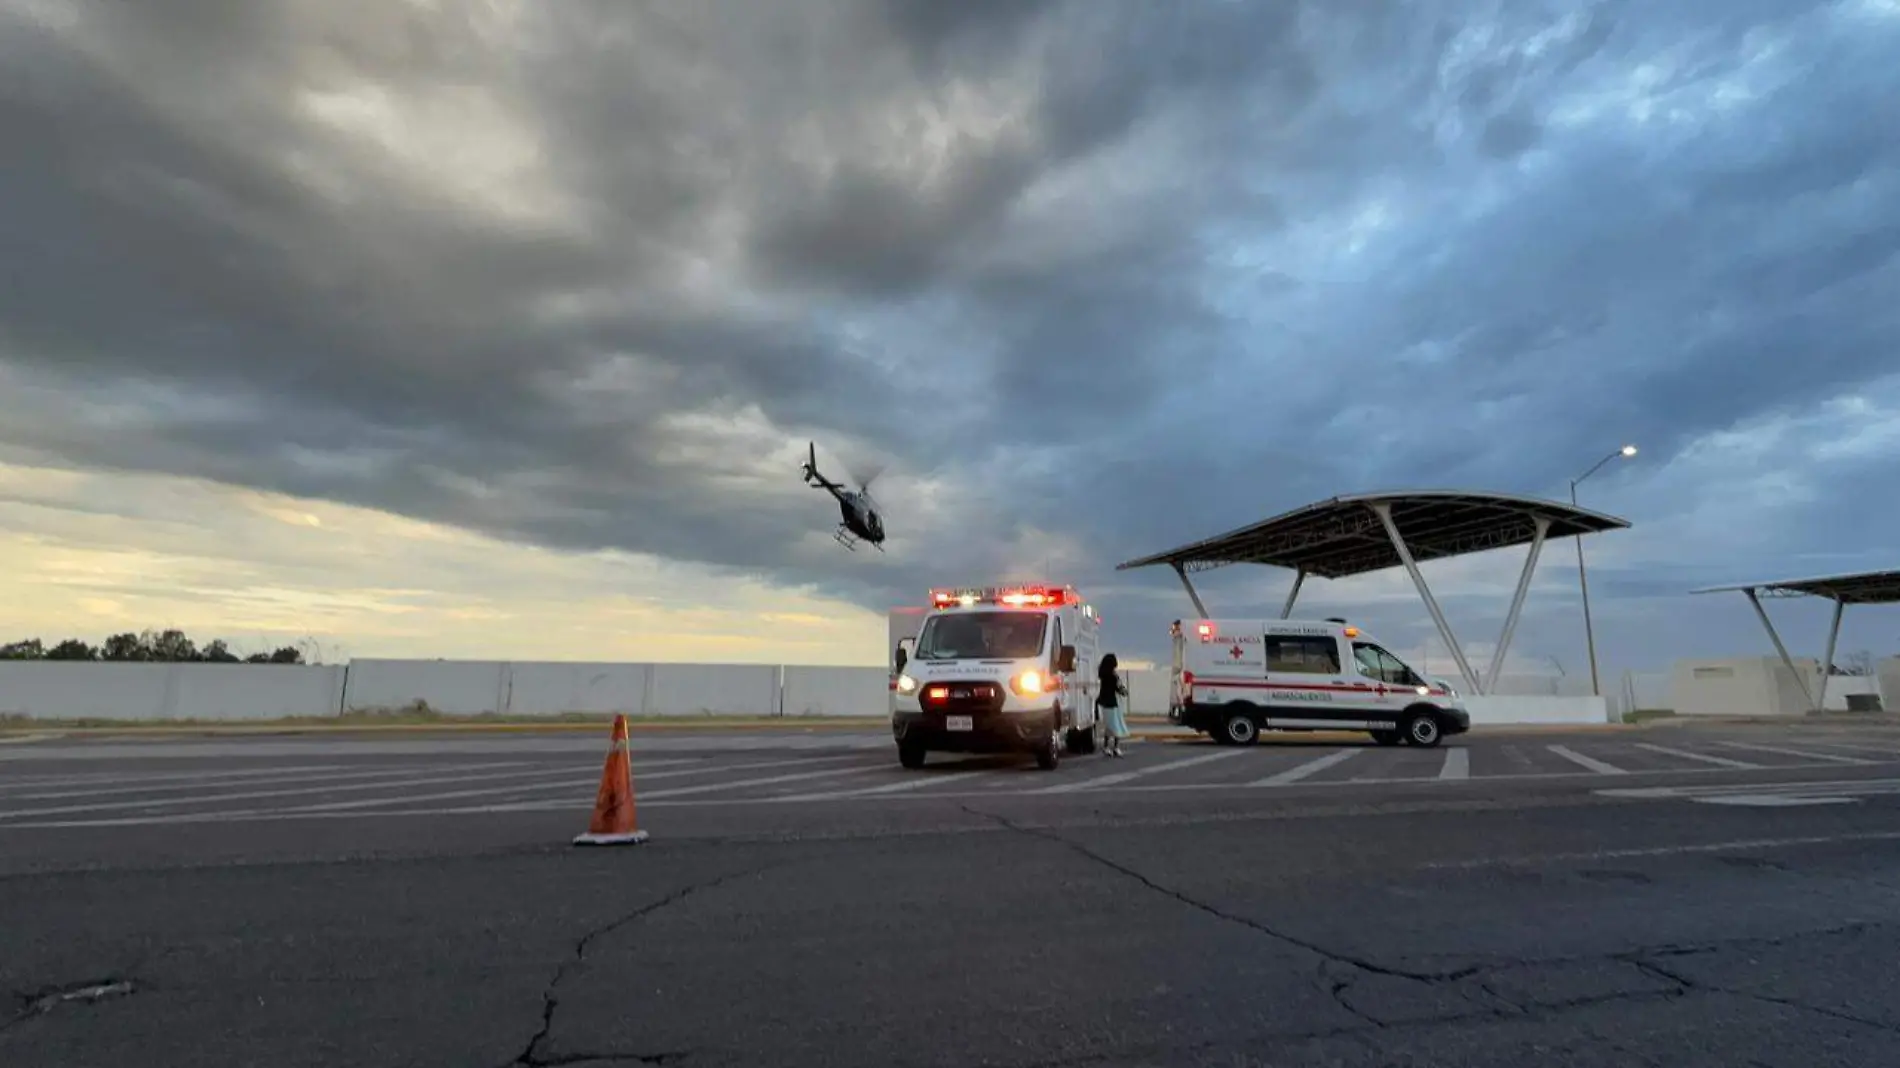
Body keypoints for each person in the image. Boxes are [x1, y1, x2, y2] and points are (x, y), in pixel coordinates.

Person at [1096, 653, 1130, 757]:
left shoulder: (1102, 675)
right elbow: (1119, 688)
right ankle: (1116, 747)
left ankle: (1106, 747)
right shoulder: (1113, 676)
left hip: (1104, 703)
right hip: (1114, 703)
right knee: (1116, 725)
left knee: (1109, 726)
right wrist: (1125, 692)